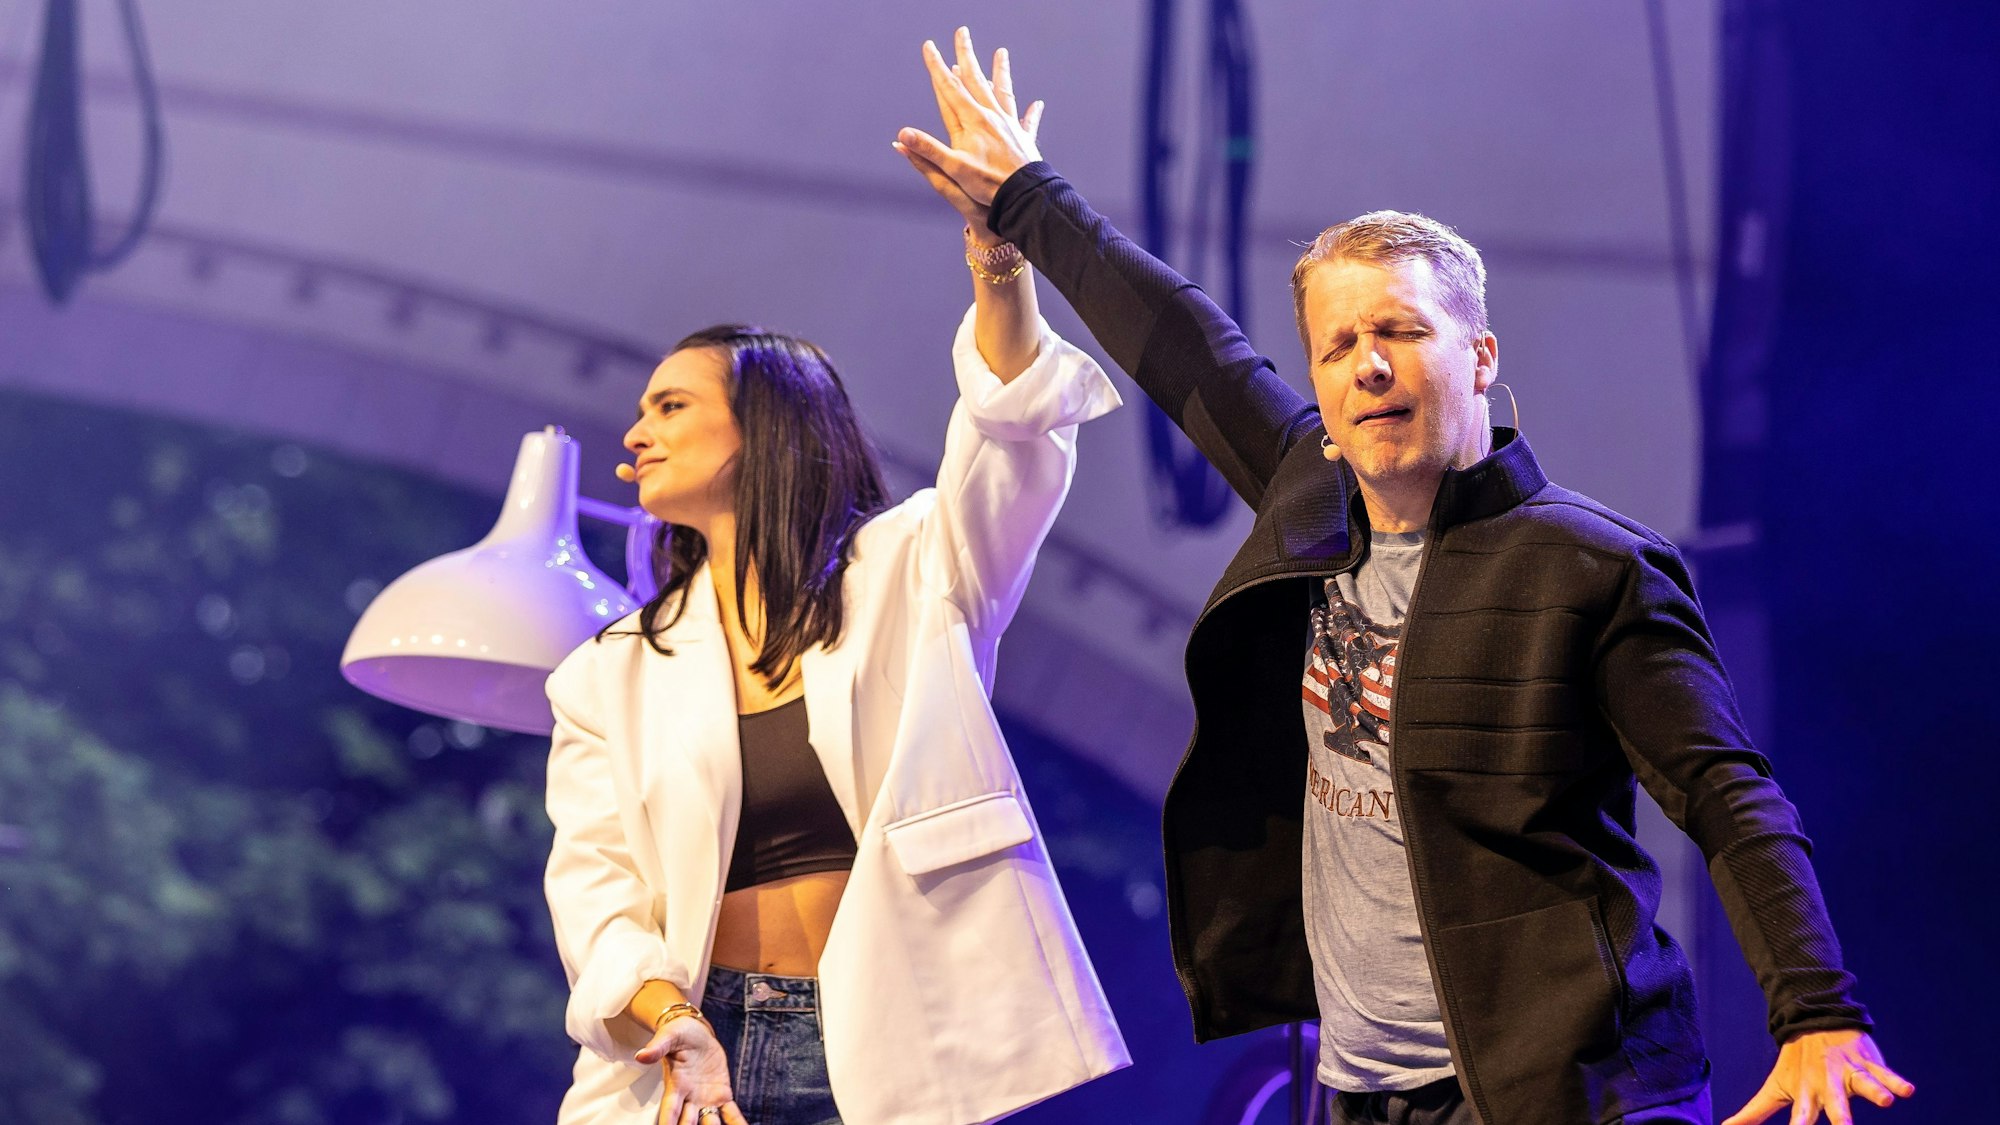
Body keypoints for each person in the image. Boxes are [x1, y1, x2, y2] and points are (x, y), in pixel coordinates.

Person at [894, 27, 1915, 1125]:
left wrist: (1813, 1010)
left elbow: (1725, 792)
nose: (1365, 363)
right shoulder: (1307, 497)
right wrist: (1024, 204)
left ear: (1475, 357)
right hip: (1360, 1093)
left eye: (1397, 330)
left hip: (1569, 1091)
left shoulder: (1589, 565)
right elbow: (1183, 345)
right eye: (1336, 345)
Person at [541, 86, 1129, 1125]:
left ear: (768, 426)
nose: (634, 433)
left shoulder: (911, 567)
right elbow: (594, 893)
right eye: (638, 413)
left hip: (888, 1040)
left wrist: (1002, 253)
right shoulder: (607, 673)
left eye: (669, 405)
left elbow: (1008, 433)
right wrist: (668, 1015)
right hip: (688, 1052)